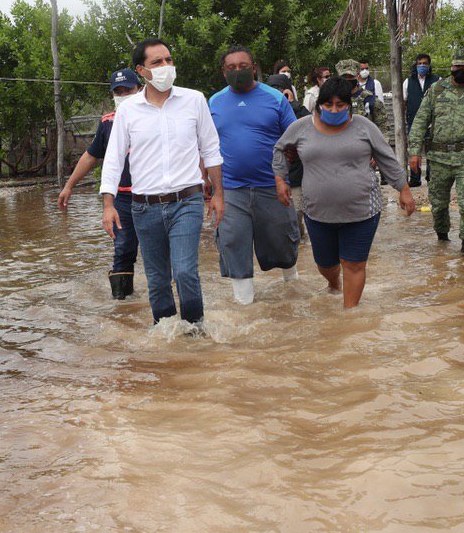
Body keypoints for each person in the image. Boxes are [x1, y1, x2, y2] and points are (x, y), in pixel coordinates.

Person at [101, 38, 225, 327]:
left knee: (184, 272)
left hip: (188, 200)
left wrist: (218, 194)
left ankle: (196, 331)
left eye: (168, 60)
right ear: (141, 70)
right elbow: (114, 159)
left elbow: (210, 149)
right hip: (143, 208)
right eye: (157, 62)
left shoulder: (194, 100)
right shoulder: (128, 110)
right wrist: (108, 204)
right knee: (157, 279)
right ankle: (166, 336)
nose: (166, 66)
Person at [273, 75, 415, 308]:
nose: (333, 109)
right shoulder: (301, 128)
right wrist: (281, 180)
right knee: (325, 264)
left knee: (354, 264)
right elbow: (280, 150)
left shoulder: (364, 126)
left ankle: (349, 319)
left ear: (349, 105)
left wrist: (404, 189)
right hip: (317, 212)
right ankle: (333, 283)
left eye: (340, 105)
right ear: (319, 105)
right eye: (328, 105)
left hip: (362, 211)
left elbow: (386, 158)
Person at [209, 47, 301, 305]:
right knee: (233, 244)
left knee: (283, 245)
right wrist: (209, 185)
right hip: (231, 189)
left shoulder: (275, 99)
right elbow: (205, 145)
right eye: (231, 67)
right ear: (223, 71)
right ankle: (245, 309)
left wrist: (288, 168)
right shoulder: (214, 102)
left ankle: (293, 291)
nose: (238, 71)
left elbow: (293, 139)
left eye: (243, 65)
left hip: (271, 187)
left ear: (254, 66)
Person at [58, 68, 143, 299]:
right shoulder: (108, 122)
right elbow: (91, 156)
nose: (123, 95)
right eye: (119, 91)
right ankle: (123, 305)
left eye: (128, 90)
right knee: (123, 249)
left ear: (140, 89)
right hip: (122, 198)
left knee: (163, 251)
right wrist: (69, 185)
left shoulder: (154, 115)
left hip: (153, 195)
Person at [407, 47, 464, 256]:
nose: (461, 70)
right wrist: (414, 152)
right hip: (438, 157)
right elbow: (420, 120)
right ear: (451, 66)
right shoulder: (436, 89)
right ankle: (442, 240)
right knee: (438, 206)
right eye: (458, 66)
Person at [404, 53, 440, 186]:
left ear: (429, 65)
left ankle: (431, 177)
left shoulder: (437, 80)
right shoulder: (408, 81)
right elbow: (404, 101)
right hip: (414, 123)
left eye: (425, 63)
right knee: (414, 150)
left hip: (433, 123)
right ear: (416, 64)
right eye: (420, 63)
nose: (422, 66)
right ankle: (415, 178)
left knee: (432, 151)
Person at [334, 59, 390, 136]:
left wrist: (380, 146)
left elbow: (383, 127)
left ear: (357, 76)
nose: (347, 79)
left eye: (351, 76)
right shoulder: (332, 99)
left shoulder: (370, 99)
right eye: (344, 77)